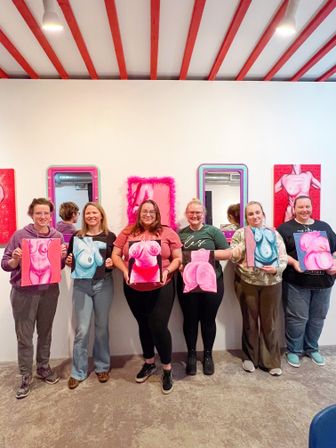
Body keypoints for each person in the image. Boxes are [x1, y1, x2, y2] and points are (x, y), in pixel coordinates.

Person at [112, 199, 182, 394]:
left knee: (159, 327)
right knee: (143, 325)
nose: (148, 214)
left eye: (152, 211)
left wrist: (168, 273)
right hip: (133, 288)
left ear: (157, 213)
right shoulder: (128, 232)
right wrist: (125, 271)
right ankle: (149, 362)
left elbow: (178, 258)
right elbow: (116, 255)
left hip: (162, 287)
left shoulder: (168, 232)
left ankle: (167, 368)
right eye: (144, 211)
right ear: (139, 213)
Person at [1, 197, 67, 399]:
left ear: (51, 215)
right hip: (24, 293)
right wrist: (16, 259)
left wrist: (62, 257)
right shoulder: (20, 235)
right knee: (25, 336)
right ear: (32, 214)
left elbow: (59, 267)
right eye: (38, 213)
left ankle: (43, 367)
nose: (43, 216)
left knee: (45, 332)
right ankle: (25, 376)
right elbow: (5, 264)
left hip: (49, 291)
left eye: (46, 213)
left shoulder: (57, 236)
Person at [277, 195, 336, 368]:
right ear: (294, 208)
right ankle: (294, 350)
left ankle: (312, 348)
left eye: (307, 207)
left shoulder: (323, 226)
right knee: (297, 318)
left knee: (318, 317)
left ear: (312, 207)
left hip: (324, 283)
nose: (304, 210)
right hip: (296, 282)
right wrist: (294, 262)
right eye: (301, 207)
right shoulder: (285, 228)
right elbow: (279, 253)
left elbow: (334, 250)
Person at [230, 201, 287, 376]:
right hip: (247, 283)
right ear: (246, 217)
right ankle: (249, 357)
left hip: (271, 283)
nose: (255, 217)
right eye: (250, 214)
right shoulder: (240, 234)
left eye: (257, 213)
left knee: (270, 323)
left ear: (263, 214)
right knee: (250, 321)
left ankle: (271, 361)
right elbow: (233, 257)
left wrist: (277, 268)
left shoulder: (273, 233)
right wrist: (245, 247)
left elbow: (283, 257)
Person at [176, 199, 233, 375]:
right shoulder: (180, 234)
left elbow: (228, 253)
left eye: (198, 212)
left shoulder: (213, 232)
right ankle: (191, 355)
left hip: (212, 282)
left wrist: (204, 255)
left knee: (208, 320)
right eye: (191, 212)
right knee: (190, 319)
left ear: (204, 214)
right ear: (186, 214)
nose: (194, 215)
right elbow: (176, 256)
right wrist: (180, 263)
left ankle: (208, 355)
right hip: (188, 283)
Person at [66, 202, 116, 389]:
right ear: (84, 216)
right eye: (87, 213)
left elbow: (116, 258)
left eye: (94, 212)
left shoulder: (110, 236)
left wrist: (112, 262)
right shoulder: (77, 237)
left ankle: (102, 367)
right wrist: (69, 260)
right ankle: (77, 371)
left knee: (102, 327)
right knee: (82, 329)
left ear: (101, 215)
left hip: (104, 284)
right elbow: (70, 261)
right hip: (82, 285)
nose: (91, 216)